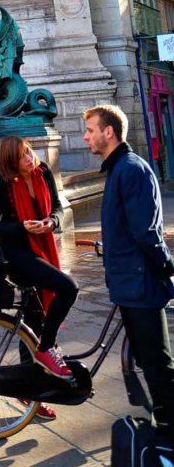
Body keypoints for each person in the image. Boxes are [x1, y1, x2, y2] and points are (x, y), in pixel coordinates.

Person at [83, 104, 174, 439]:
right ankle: (165, 424)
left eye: (91, 129)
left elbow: (146, 232)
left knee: (157, 363)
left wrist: (167, 266)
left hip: (141, 283)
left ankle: (169, 428)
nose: (86, 136)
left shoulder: (131, 169)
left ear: (110, 132)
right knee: (152, 362)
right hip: (130, 283)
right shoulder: (121, 169)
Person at [0, 135, 79, 397]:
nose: (29, 159)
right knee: (68, 288)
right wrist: (21, 227)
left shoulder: (43, 172)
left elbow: (58, 207)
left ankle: (31, 393)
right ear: (10, 163)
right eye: (21, 157)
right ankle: (46, 349)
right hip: (17, 253)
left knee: (32, 322)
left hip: (43, 249)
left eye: (28, 152)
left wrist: (52, 222)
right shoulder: (2, 185)